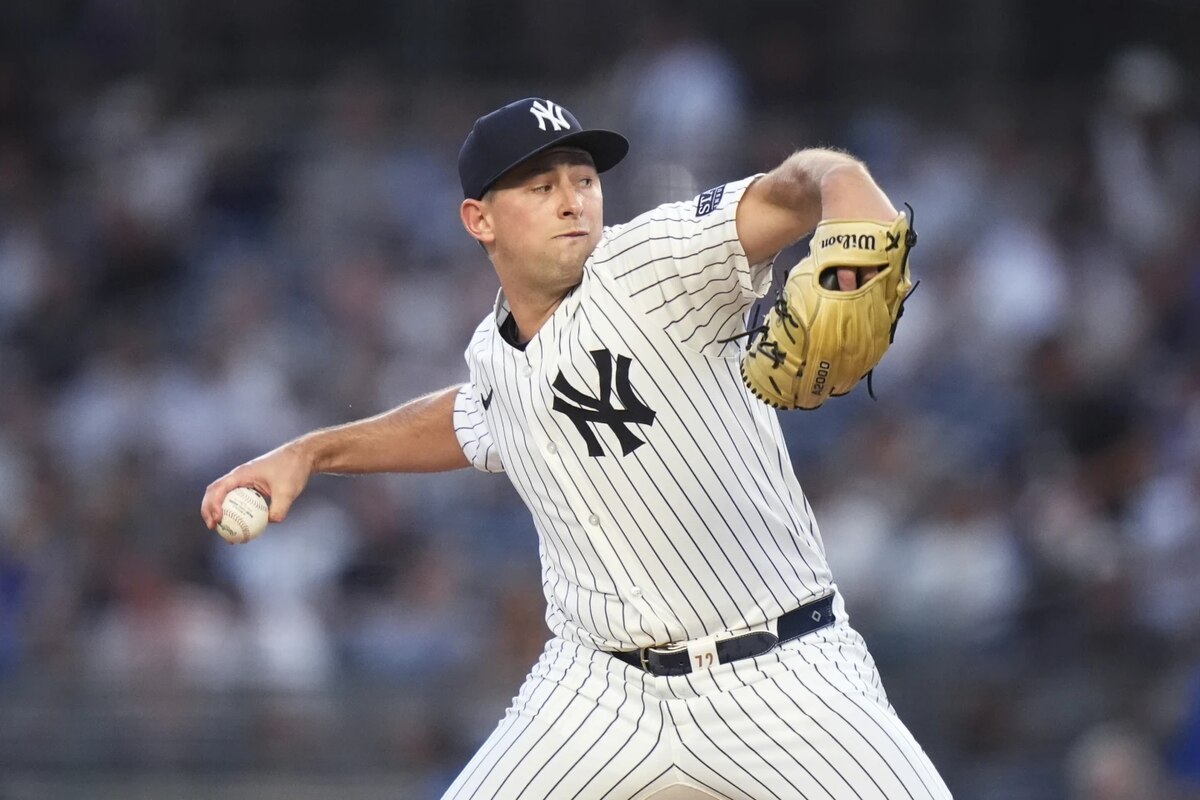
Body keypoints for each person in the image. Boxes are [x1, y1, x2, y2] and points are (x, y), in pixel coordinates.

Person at [202, 96, 952, 800]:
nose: (573, 199)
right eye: (539, 185)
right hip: (599, 691)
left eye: (584, 178)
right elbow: (474, 416)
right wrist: (311, 452)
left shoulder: (652, 262)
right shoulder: (495, 355)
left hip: (782, 672)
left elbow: (790, 193)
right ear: (478, 219)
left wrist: (842, 178)